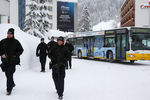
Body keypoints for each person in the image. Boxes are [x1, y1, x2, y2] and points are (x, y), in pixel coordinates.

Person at [0, 28, 24, 95]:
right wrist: (2, 54)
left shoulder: (16, 42)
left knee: (10, 74)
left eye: (10, 34)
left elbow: (21, 50)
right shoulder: (2, 41)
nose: (9, 35)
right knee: (7, 75)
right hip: (5, 61)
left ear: (13, 34)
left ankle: (9, 89)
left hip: (12, 62)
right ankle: (12, 83)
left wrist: (15, 56)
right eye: (8, 33)